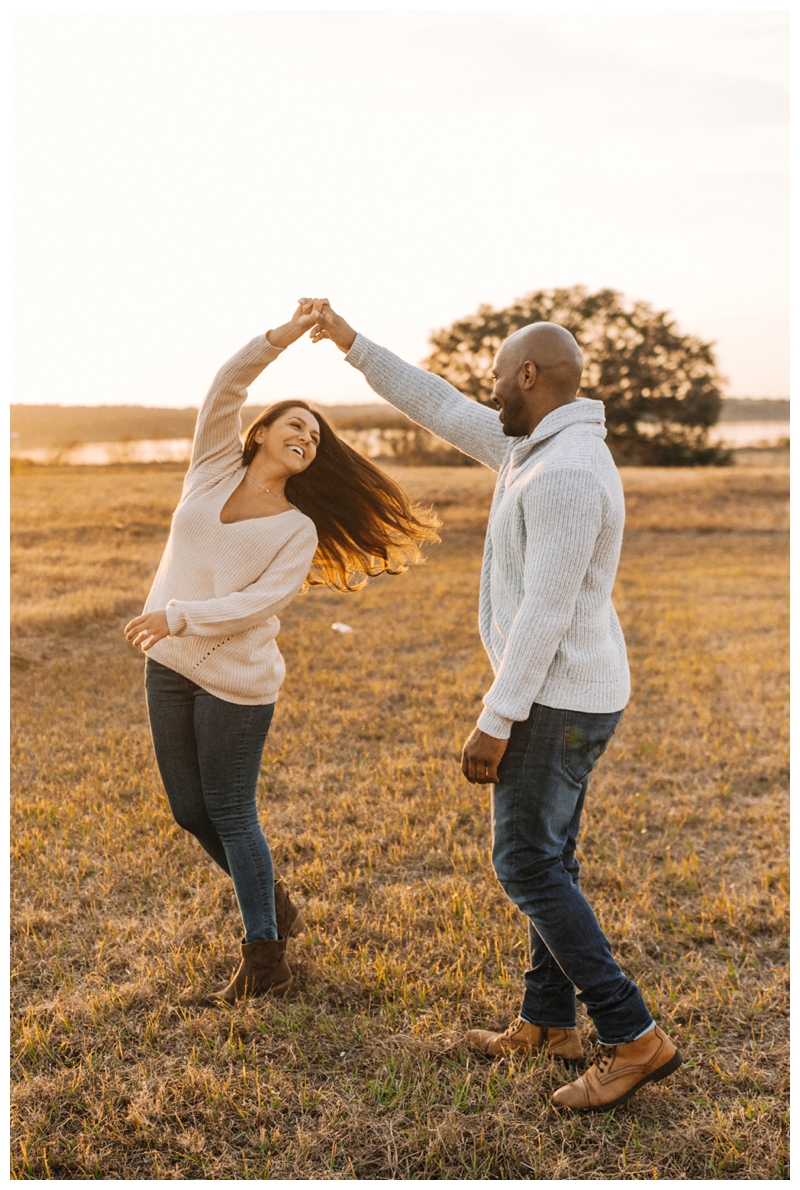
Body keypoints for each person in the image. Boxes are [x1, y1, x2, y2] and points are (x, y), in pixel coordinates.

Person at [307, 299, 682, 1113]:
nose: (487, 389)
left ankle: (633, 1035)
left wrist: (495, 718)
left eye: (497, 376)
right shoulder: (529, 447)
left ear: (529, 376)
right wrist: (350, 342)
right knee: (551, 861)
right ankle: (549, 1025)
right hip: (566, 694)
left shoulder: (570, 473)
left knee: (525, 865)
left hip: (558, 698)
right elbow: (438, 402)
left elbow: (546, 611)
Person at [124, 300, 438, 1007]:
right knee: (187, 811)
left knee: (232, 813)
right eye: (296, 423)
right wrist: (290, 334)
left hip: (239, 683)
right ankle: (274, 901)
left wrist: (178, 614)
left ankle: (265, 957)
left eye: (317, 436)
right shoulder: (209, 470)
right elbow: (225, 386)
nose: (308, 437)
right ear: (260, 432)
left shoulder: (297, 529)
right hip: (169, 666)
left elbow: (255, 606)